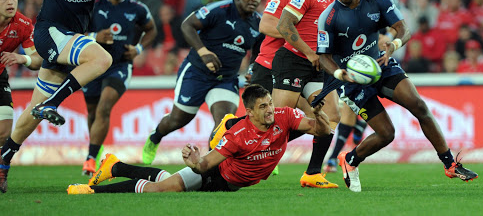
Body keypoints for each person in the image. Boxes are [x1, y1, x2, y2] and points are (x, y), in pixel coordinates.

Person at [312, 0, 478, 192]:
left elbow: (403, 29)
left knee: (419, 106)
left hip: (381, 65)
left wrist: (393, 45)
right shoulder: (329, 17)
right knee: (387, 134)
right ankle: (350, 160)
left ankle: (450, 164)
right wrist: (340, 75)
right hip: (353, 80)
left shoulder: (379, 0)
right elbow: (323, 56)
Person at [0, 0, 138, 193]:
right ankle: (53, 103)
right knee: (102, 58)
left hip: (69, 42)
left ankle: (3, 161)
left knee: (32, 115)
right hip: (50, 33)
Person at [67, 84, 331, 194]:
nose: (271, 109)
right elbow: (205, 166)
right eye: (263, 107)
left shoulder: (284, 116)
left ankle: (114, 166)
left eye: (271, 104)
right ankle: (91, 190)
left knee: (166, 180)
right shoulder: (237, 135)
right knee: (161, 189)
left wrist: (318, 114)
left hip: (229, 182)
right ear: (249, 112)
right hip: (215, 177)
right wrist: (195, 161)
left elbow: (321, 131)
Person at [210, 0, 317, 176]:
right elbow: (265, 26)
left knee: (317, 119)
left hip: (300, 65)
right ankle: (230, 127)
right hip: (271, 65)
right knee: (260, 118)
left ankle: (274, 149)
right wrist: (299, 37)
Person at [141, 0, 262, 165]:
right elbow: (187, 25)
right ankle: (155, 137)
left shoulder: (258, 22)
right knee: (178, 119)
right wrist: (203, 52)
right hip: (197, 73)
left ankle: (211, 167)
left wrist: (252, 69)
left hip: (226, 79)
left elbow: (258, 49)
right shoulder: (219, 9)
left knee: (224, 123)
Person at [272, 0, 341, 188]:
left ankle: (312, 173)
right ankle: (234, 132)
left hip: (317, 66)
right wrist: (310, 52)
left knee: (332, 115)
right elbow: (283, 24)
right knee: (276, 120)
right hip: (293, 61)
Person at [81, 0, 157, 175]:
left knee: (104, 106)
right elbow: (72, 32)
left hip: (120, 66)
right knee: (92, 112)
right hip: (92, 65)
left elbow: (152, 30)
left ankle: (90, 159)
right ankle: (95, 150)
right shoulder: (90, 5)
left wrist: (138, 49)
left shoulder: (137, 8)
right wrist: (94, 36)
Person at [0, 0, 43, 148]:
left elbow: (38, 60)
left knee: (4, 132)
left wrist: (23, 58)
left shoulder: (23, 25)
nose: (10, 2)